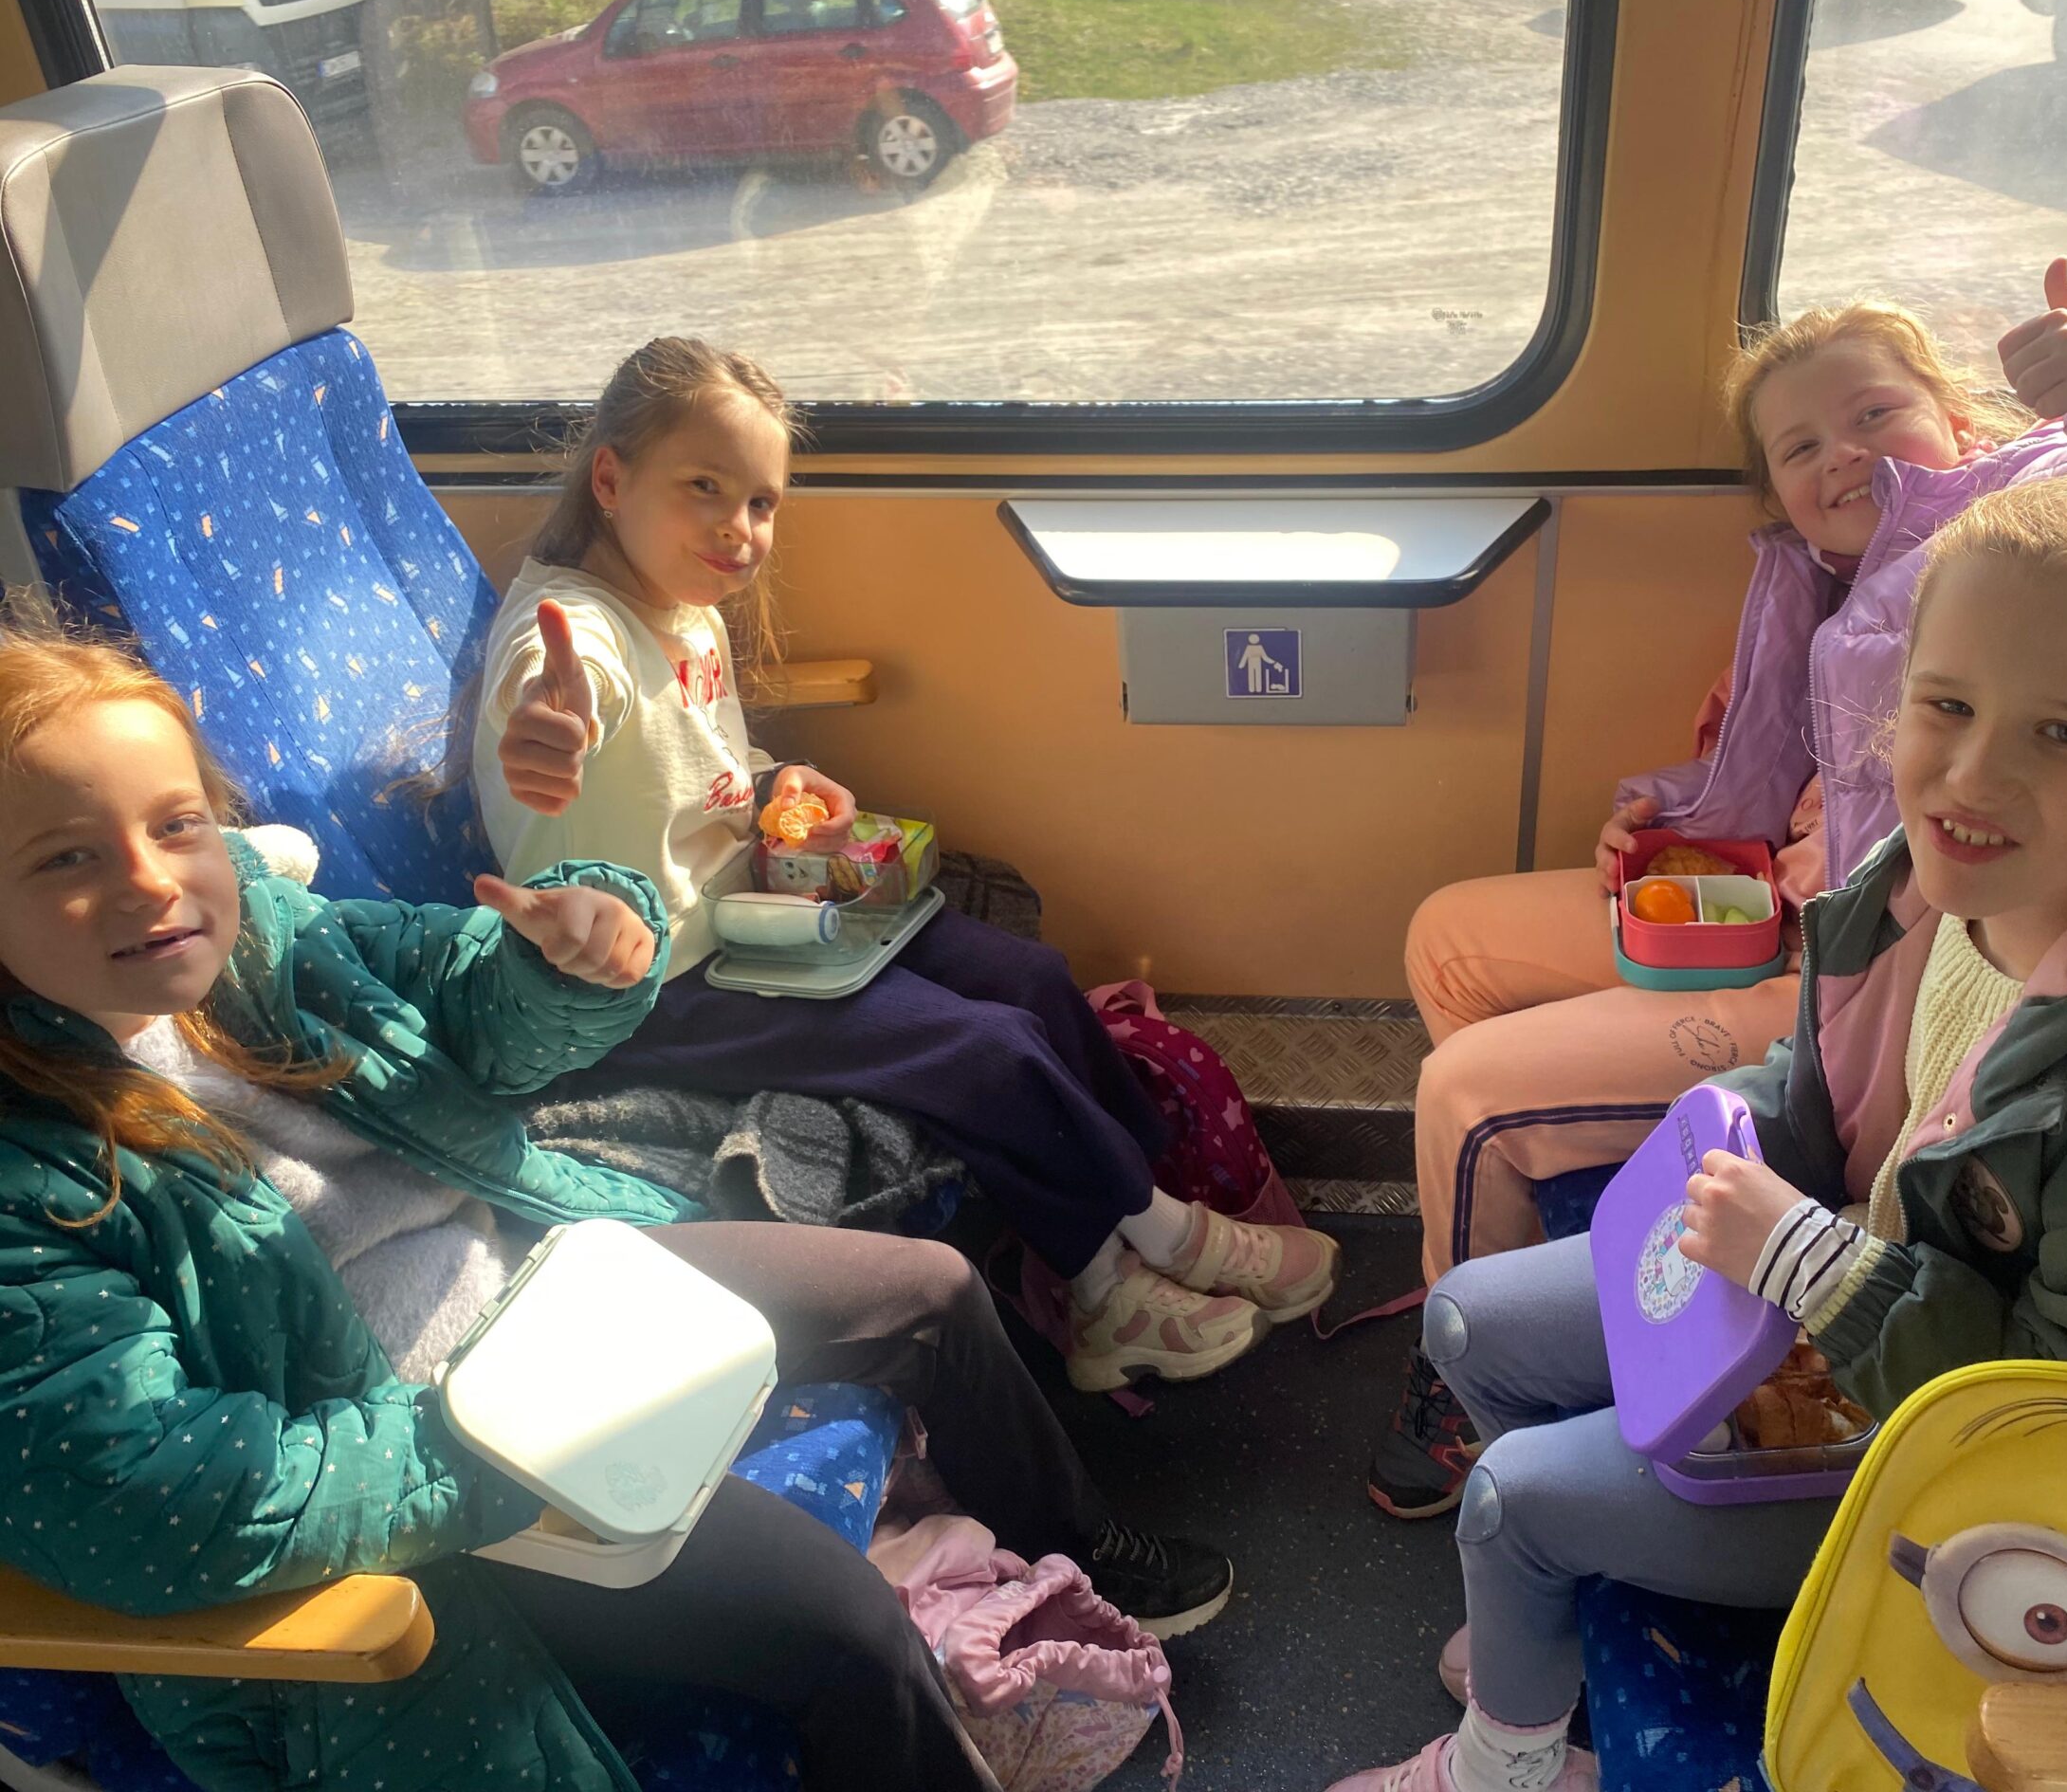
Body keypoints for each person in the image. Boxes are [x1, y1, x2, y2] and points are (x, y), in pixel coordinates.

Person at [1331, 471, 2067, 1792]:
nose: (1973, 775)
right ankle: (1557, 1617)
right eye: (1947, 706)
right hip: (1865, 1280)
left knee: (1515, 1499)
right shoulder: (1927, 888)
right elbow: (1837, 1090)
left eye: (2062, 733)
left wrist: (1812, 1268)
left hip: (1979, 1470)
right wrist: (1734, 1145)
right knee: (1468, 1323)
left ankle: (1506, 1760)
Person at [0, 632, 1231, 1792]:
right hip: (434, 1472)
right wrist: (489, 1451)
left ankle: (1087, 1548)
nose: (151, 881)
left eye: (176, 824)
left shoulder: (267, 936)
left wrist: (561, 959)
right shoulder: (30, 1172)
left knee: (931, 1294)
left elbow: (455, 993)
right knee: (845, 1625)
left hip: (540, 1279)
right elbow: (160, 1496)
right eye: (66, 858)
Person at [1367, 261, 2067, 1520]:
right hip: (1825, 921)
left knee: (1469, 1093)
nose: (1844, 454)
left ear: (1958, 418)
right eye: (1800, 446)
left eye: (1874, 414)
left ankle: (1480, 1404)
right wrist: (1675, 817)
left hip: (1866, 960)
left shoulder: (2031, 529)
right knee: (1447, 941)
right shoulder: (1823, 579)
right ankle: (1550, 1348)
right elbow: (1785, 763)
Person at [471, 337, 1338, 1396]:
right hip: (649, 989)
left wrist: (779, 783)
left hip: (748, 928)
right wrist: (542, 732)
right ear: (610, 480)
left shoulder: (683, 607)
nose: (741, 530)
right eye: (705, 488)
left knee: (1031, 980)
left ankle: (1141, 1196)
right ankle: (1121, 1280)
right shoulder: (574, 633)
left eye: (762, 502)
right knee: (985, 1048)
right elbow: (558, 699)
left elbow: (698, 771)